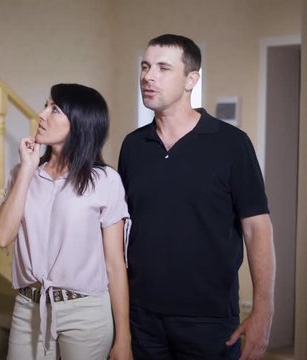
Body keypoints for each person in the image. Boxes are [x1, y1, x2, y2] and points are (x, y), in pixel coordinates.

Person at [118, 34, 275, 360]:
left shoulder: (232, 144)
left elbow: (257, 229)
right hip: (142, 317)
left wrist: (264, 310)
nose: (148, 76)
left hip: (210, 320)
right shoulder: (132, 146)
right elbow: (122, 232)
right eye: (145, 66)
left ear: (192, 79)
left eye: (163, 68)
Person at [0, 83, 133, 360]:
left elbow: (115, 264)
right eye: (46, 105)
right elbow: (0, 237)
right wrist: (27, 171)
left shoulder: (105, 181)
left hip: (86, 313)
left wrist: (123, 337)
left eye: (54, 109)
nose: (42, 114)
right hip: (28, 308)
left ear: (80, 123)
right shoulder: (22, 172)